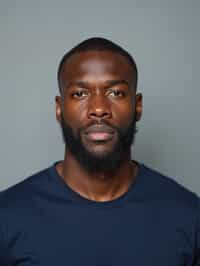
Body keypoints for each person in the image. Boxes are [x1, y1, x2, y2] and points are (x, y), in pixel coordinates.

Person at [0, 37, 199, 266]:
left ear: (138, 106)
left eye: (115, 93)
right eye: (79, 94)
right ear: (59, 108)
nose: (98, 109)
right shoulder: (7, 217)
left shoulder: (188, 215)